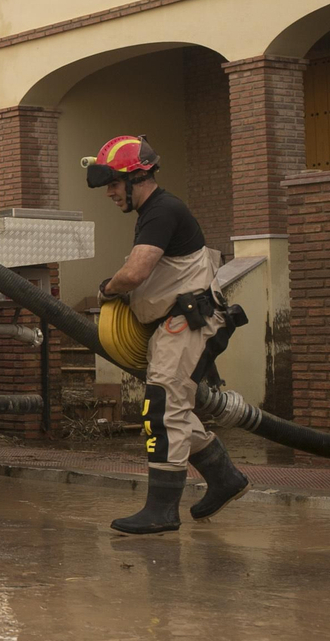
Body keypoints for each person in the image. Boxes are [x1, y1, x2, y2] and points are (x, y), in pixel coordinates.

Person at [86, 135, 250, 534]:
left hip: (187, 324)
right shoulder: (154, 211)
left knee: (163, 407)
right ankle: (225, 477)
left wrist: (107, 289)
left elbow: (137, 272)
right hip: (173, 325)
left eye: (112, 183)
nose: (109, 192)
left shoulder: (161, 211)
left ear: (136, 177)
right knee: (173, 408)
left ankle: (161, 510)